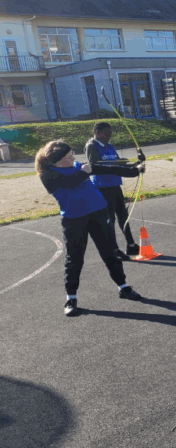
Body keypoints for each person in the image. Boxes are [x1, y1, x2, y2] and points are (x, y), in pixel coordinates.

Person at [35, 140, 145, 317]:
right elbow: (70, 181)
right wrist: (85, 171)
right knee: (74, 259)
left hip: (99, 214)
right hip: (73, 220)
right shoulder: (48, 174)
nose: (72, 159)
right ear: (55, 161)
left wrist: (135, 170)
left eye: (72, 155)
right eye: (68, 157)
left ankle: (123, 288)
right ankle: (71, 298)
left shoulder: (78, 166)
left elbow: (108, 169)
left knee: (110, 253)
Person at [84, 122, 142, 260]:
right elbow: (95, 165)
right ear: (97, 132)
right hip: (102, 187)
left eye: (110, 134)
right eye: (106, 134)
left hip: (115, 185)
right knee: (110, 220)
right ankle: (114, 249)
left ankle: (131, 245)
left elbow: (117, 162)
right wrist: (116, 164)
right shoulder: (92, 146)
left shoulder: (109, 146)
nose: (109, 137)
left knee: (123, 216)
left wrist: (135, 165)